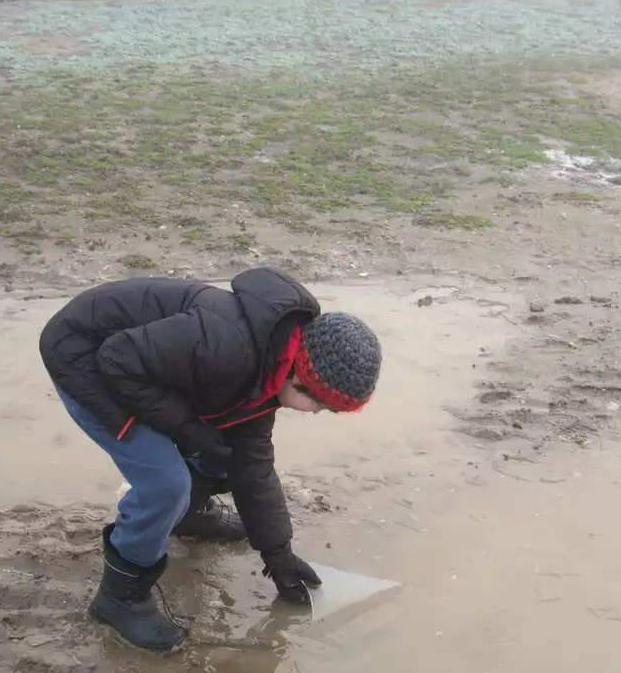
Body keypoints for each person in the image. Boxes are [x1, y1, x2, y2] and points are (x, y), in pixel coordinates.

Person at [39, 265, 382, 652]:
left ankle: (188, 516)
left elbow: (251, 466)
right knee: (165, 483)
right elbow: (117, 360)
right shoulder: (228, 345)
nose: (316, 413)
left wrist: (278, 555)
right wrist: (188, 429)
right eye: (318, 404)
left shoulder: (269, 366)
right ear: (298, 374)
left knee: (227, 448)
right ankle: (120, 597)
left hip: (142, 367)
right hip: (83, 357)